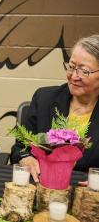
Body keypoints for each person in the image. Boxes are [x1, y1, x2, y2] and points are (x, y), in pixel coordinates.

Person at [10, 34, 99, 182]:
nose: (74, 76)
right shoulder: (44, 98)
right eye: (71, 67)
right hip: (44, 185)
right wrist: (26, 158)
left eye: (84, 71)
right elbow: (20, 147)